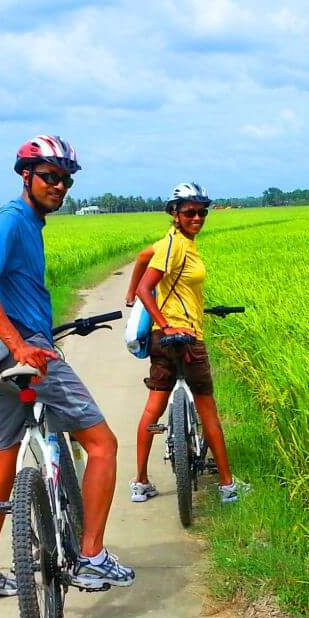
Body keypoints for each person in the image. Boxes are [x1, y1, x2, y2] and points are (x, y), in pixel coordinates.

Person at [0, 135, 135, 604]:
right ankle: (91, 558)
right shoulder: (13, 219)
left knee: (2, 465)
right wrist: (21, 346)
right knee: (102, 445)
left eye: (66, 180)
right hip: (25, 350)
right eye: (50, 176)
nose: (60, 186)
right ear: (25, 176)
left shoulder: (19, 221)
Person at [124, 182, 248, 504]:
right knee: (207, 409)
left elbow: (141, 258)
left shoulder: (170, 244)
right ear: (175, 214)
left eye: (202, 211)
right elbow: (145, 288)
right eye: (189, 212)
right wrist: (164, 321)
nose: (197, 217)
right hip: (186, 338)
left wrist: (129, 294)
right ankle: (227, 486)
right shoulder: (175, 246)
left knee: (153, 408)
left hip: (163, 342)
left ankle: (140, 482)